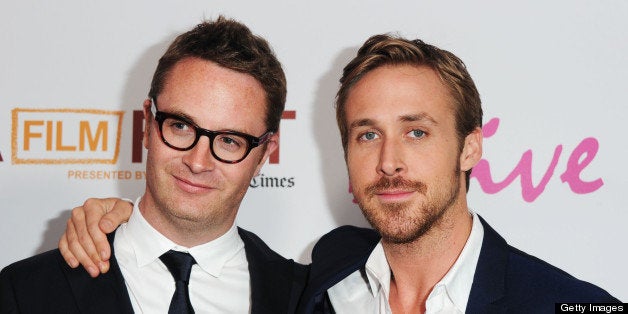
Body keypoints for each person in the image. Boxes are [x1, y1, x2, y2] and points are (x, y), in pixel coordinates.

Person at [55, 34, 620, 313]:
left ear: (470, 146)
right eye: (367, 134)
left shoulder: (566, 304)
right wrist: (125, 221)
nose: (389, 162)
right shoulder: (325, 277)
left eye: (417, 132)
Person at [0, 17, 307, 314]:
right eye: (181, 127)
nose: (198, 162)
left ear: (265, 153)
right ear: (147, 123)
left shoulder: (305, 299)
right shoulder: (25, 291)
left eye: (229, 141)